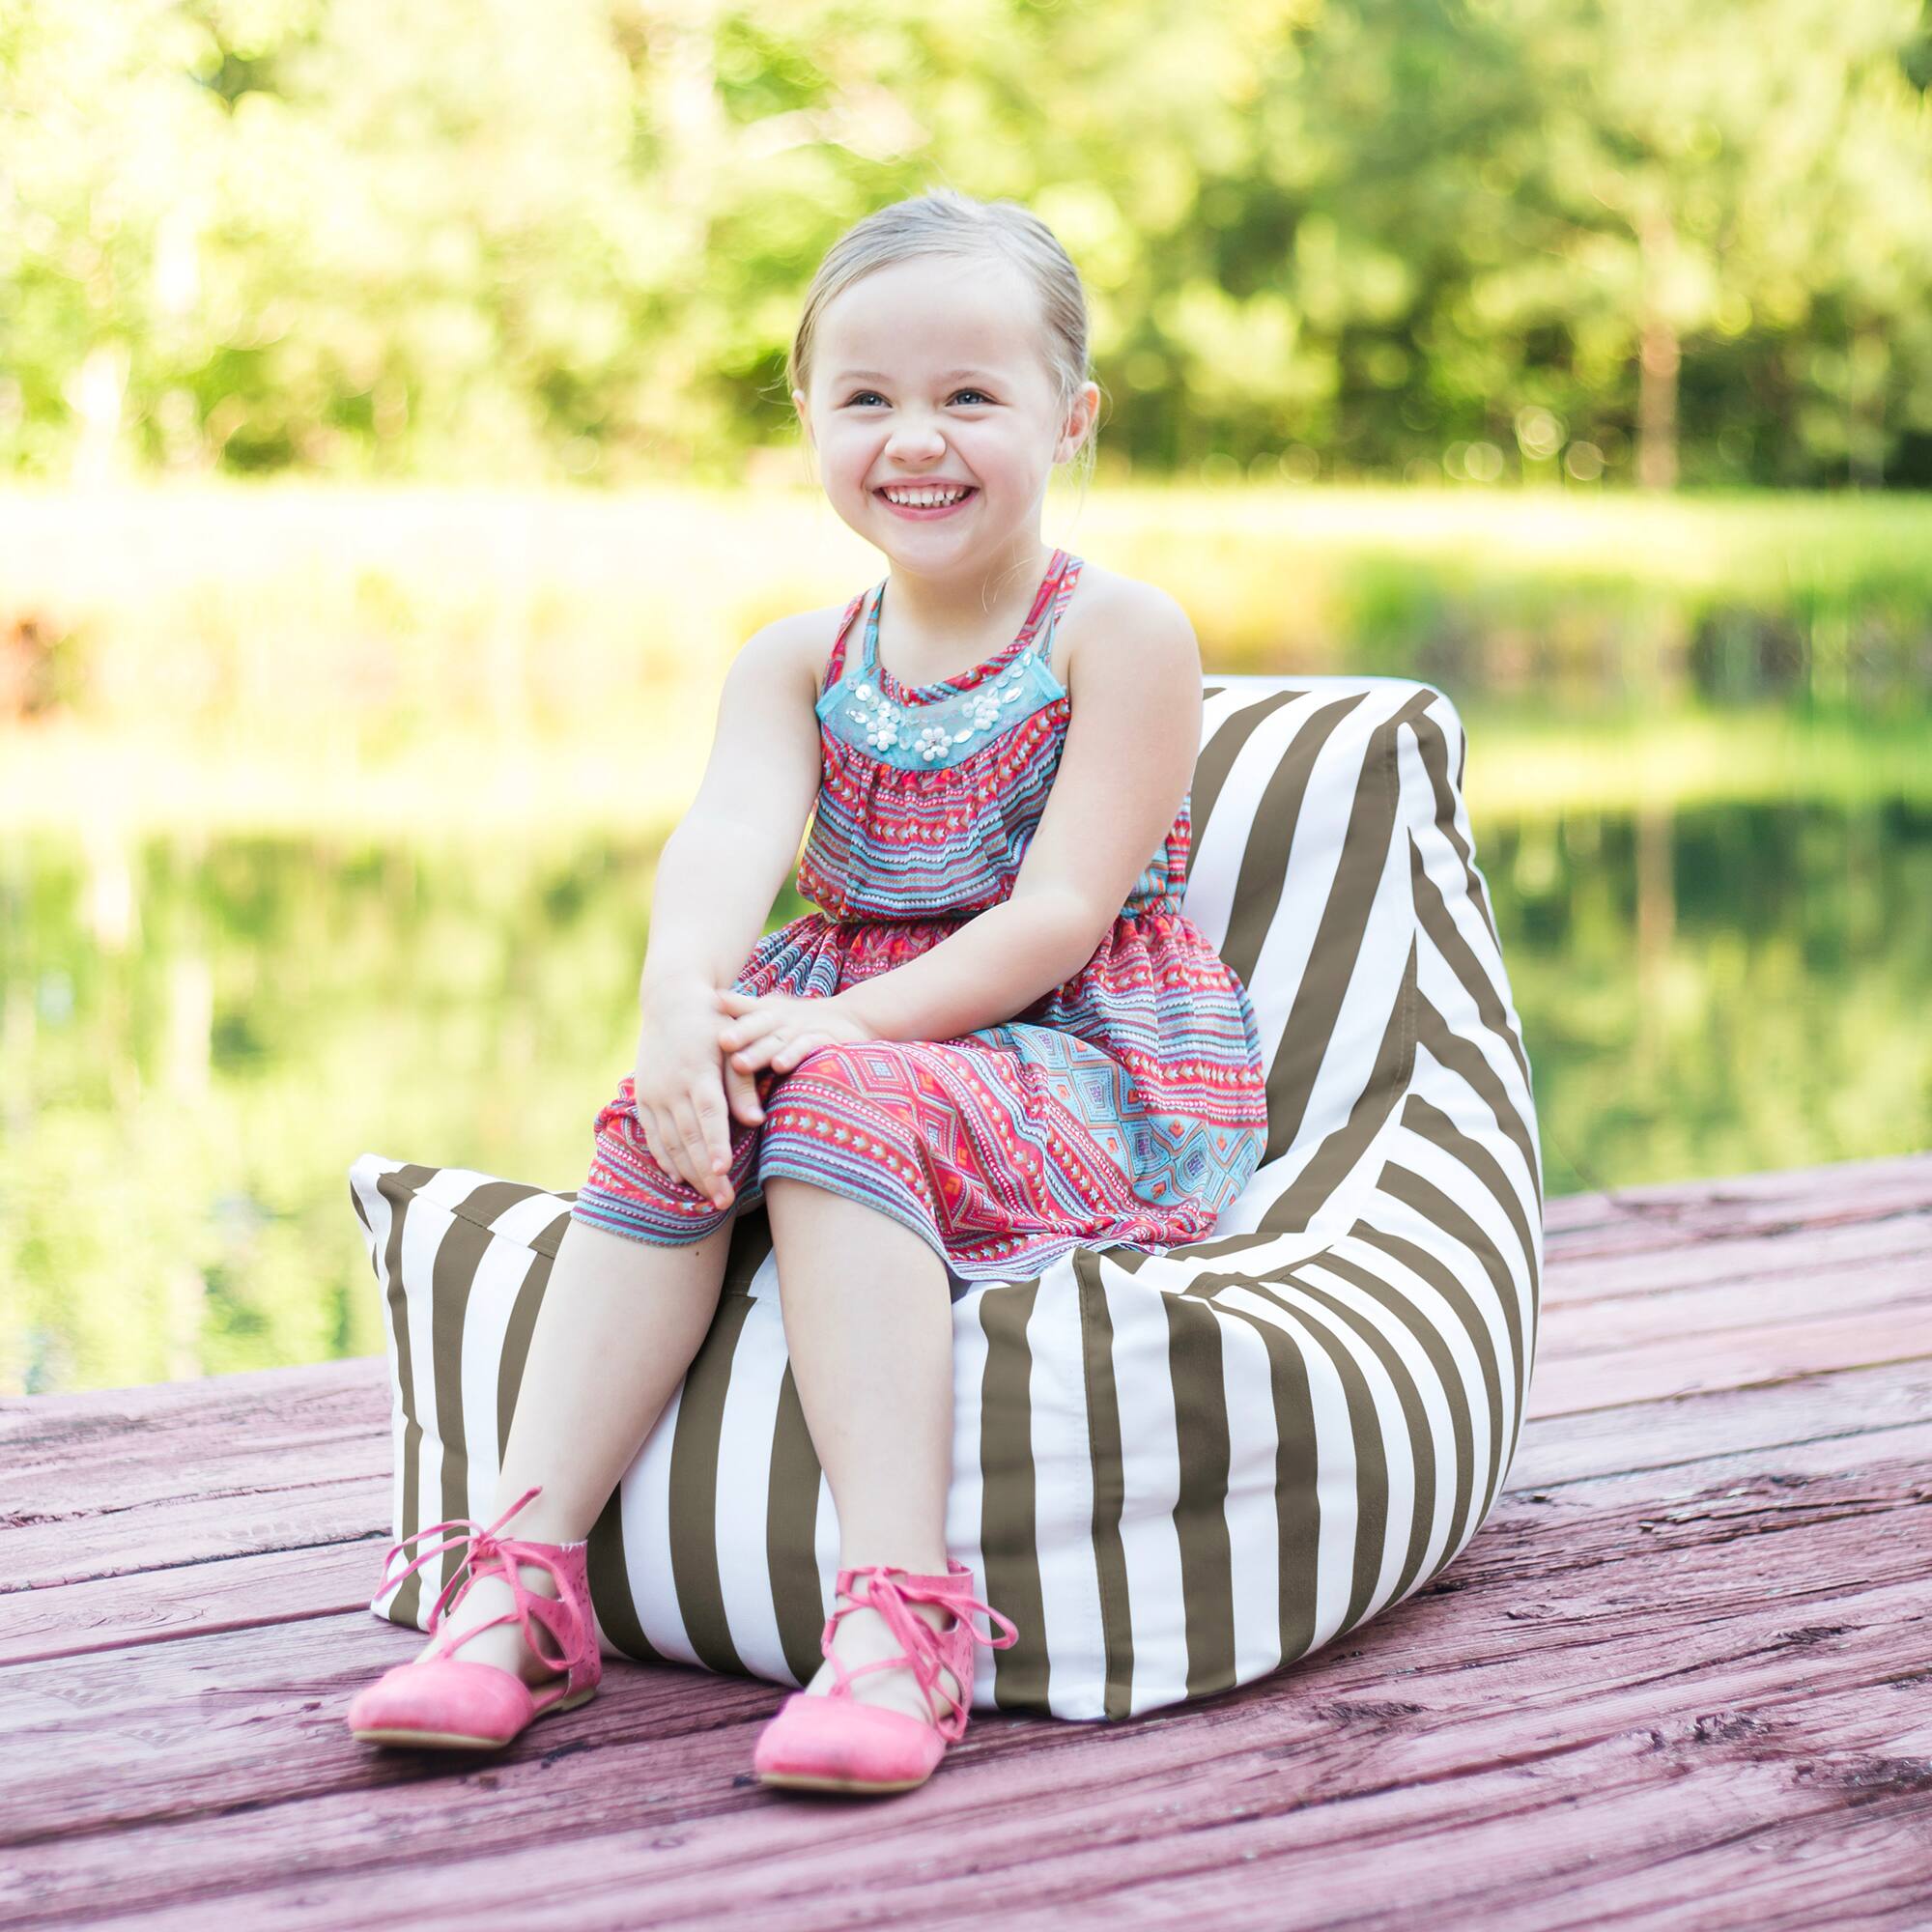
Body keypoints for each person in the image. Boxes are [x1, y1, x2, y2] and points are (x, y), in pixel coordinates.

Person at [345, 185, 1270, 1796]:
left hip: (1070, 1053)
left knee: (827, 1089)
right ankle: (522, 1582)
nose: (915, 439)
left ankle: (902, 1616)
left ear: (1071, 418)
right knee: (673, 1106)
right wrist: (678, 1003)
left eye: (969, 395)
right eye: (866, 399)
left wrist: (841, 1026)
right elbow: (724, 843)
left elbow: (1060, 916)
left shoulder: (1117, 636)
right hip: (852, 1026)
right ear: (811, 421)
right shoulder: (798, 657)